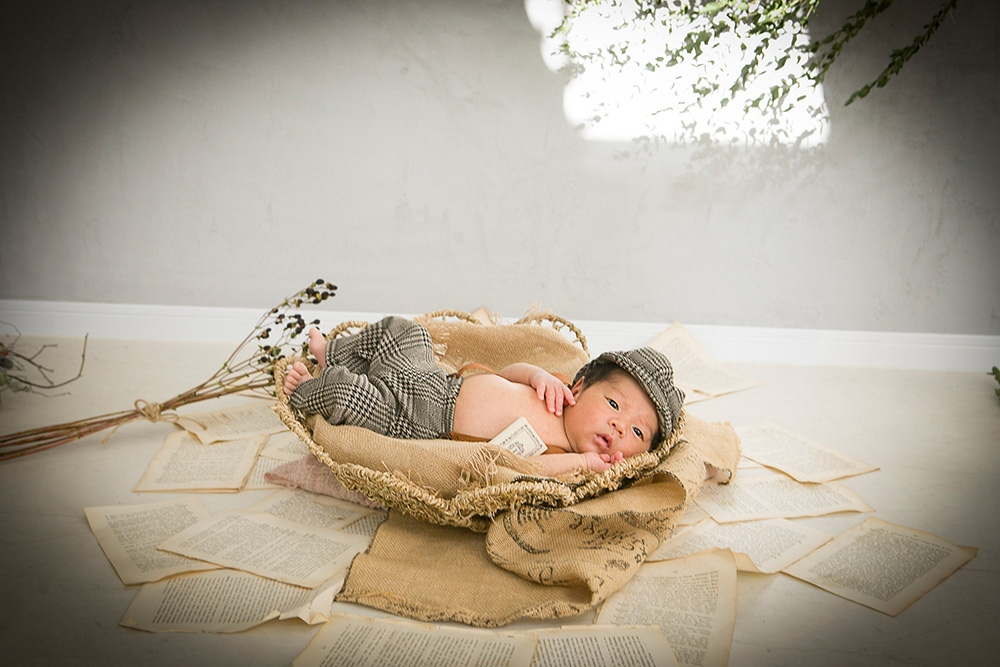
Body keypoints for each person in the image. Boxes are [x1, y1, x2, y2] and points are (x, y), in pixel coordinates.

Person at [283, 316, 684, 477]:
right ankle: (334, 353)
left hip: (416, 420)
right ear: (580, 388)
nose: (619, 425)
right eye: (614, 404)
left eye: (637, 432)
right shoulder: (558, 393)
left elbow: (524, 471)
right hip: (436, 380)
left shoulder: (562, 454)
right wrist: (537, 374)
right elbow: (506, 374)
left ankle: (306, 389)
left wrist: (584, 463)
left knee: (349, 395)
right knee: (406, 331)